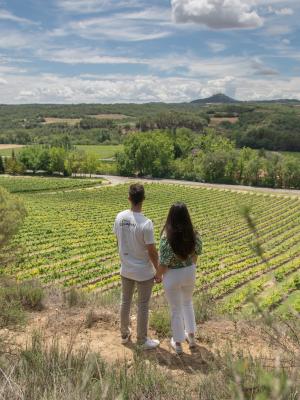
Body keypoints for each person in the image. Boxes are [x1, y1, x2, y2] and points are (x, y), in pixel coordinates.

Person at [113, 183, 160, 350]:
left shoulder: (119, 217)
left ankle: (124, 335)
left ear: (129, 198)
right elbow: (152, 252)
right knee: (143, 305)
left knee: (125, 301)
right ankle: (141, 340)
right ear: (143, 200)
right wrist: (159, 271)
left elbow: (118, 241)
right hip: (143, 272)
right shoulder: (146, 223)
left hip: (126, 268)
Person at [155, 202, 202, 355]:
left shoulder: (166, 237)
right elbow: (196, 253)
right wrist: (189, 267)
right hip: (189, 272)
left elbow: (163, 263)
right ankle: (192, 338)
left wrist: (158, 276)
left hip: (172, 275)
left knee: (176, 309)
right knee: (188, 303)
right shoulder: (194, 234)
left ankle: (178, 343)